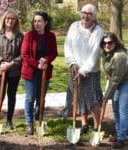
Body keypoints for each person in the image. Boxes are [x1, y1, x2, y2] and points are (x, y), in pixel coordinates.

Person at [64, 4, 104, 134]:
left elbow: (95, 54)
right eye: (84, 12)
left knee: (92, 100)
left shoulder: (97, 31)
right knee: (79, 97)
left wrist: (82, 71)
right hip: (74, 68)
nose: (85, 16)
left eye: (89, 14)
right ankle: (84, 124)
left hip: (90, 71)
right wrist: (72, 63)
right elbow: (67, 46)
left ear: (94, 16)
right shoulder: (74, 26)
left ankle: (97, 127)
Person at [21, 11, 58, 135]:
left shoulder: (51, 36)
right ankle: (29, 124)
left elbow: (54, 53)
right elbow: (25, 55)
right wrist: (37, 64)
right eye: (35, 21)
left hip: (45, 72)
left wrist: (46, 59)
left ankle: (39, 120)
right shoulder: (29, 36)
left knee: (41, 98)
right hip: (30, 72)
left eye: (39, 21)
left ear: (45, 23)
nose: (36, 23)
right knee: (30, 98)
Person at [0, 10, 24, 129]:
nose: (10, 21)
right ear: (4, 19)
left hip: (14, 71)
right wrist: (0, 62)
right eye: (8, 18)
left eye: (13, 19)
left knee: (11, 96)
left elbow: (22, 55)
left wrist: (11, 64)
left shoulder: (20, 36)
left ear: (16, 21)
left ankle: (9, 121)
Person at [100, 32, 128, 149]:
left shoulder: (119, 56)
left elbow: (116, 78)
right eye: (104, 43)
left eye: (110, 43)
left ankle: (121, 139)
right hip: (117, 82)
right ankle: (118, 133)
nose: (107, 45)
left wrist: (106, 96)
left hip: (125, 83)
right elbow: (111, 73)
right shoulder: (107, 54)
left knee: (123, 111)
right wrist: (108, 75)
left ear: (115, 43)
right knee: (115, 109)